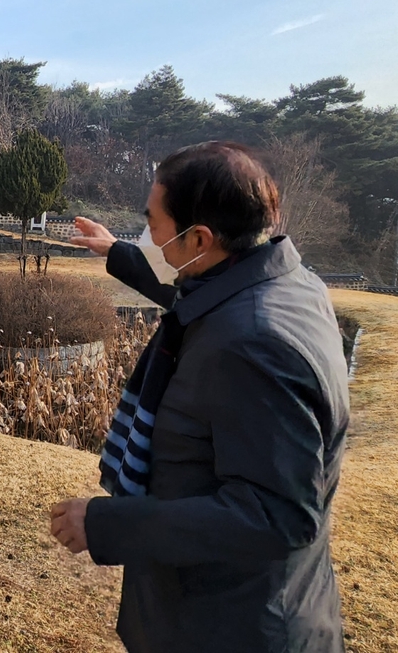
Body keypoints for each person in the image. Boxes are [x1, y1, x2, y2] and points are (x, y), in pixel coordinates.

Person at [49, 141, 349, 653]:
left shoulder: (255, 345)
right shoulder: (283, 283)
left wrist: (105, 524)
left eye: (154, 222)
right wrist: (115, 251)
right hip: (233, 607)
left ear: (200, 239)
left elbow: (276, 517)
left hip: (234, 626)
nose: (149, 234)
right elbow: (197, 297)